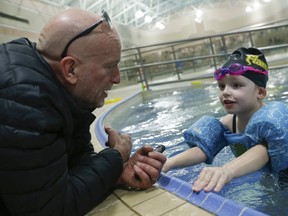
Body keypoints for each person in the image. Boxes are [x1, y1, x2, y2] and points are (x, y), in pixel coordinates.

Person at [0, 8, 166, 215]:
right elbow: (50, 209)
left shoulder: (55, 87)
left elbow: (76, 162)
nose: (117, 78)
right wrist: (116, 156)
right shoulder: (23, 98)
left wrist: (119, 174)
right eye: (110, 66)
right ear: (70, 69)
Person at [162, 47, 288, 193]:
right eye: (221, 86)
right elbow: (203, 149)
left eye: (236, 85)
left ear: (260, 92)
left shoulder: (273, 120)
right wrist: (168, 163)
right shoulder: (229, 123)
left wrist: (227, 170)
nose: (226, 92)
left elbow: (263, 150)